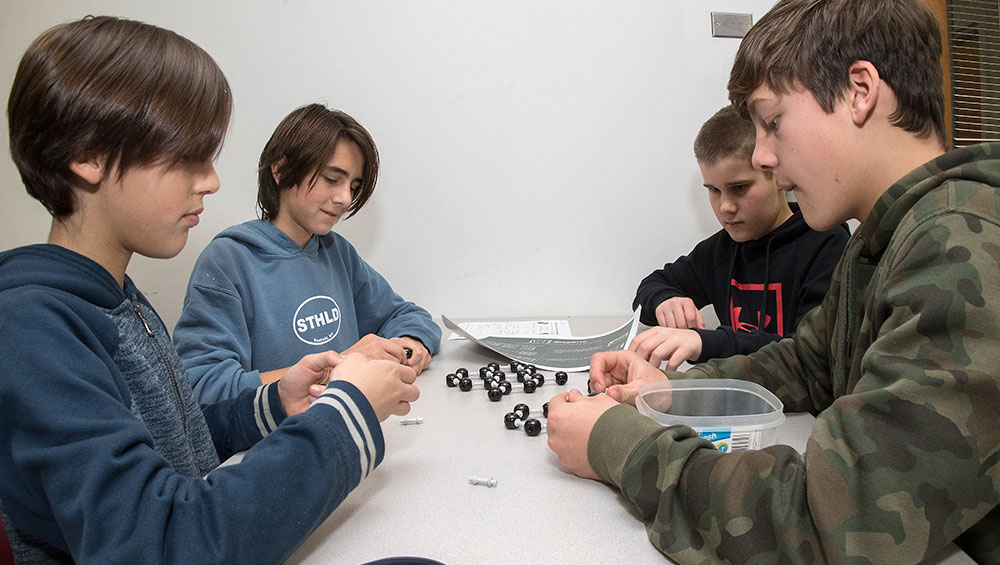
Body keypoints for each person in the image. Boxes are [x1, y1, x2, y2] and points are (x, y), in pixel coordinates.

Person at [546, 0, 1000, 562]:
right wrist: (668, 392)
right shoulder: (883, 241)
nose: (763, 154)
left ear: (860, 90)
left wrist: (615, 442)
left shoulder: (962, 246)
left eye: (773, 123)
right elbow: (805, 364)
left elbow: (830, 525)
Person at [0, 16, 418, 563]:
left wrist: (272, 404)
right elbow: (164, 540)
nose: (212, 181)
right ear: (88, 154)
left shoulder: (114, 297)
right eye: (188, 156)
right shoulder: (31, 327)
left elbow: (181, 450)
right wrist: (347, 412)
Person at [174, 104, 441, 403]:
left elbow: (407, 315)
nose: (344, 198)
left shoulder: (336, 252)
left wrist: (411, 344)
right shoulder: (228, 260)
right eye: (331, 179)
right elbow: (204, 389)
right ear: (281, 169)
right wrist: (343, 363)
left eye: (354, 186)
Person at [630, 105, 848, 370]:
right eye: (714, 190)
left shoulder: (825, 245)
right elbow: (649, 287)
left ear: (777, 175)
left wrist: (705, 343)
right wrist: (666, 300)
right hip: (735, 398)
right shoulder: (722, 249)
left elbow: (809, 355)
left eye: (739, 188)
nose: (725, 207)